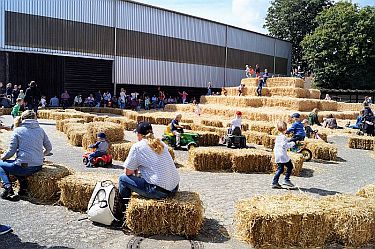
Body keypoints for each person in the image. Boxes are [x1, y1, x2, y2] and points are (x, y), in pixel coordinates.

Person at [118, 122, 179, 208]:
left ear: (139, 134)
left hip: (159, 191)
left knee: (122, 179)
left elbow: (128, 172)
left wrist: (135, 168)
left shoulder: (137, 147)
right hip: (174, 187)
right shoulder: (162, 143)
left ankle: (122, 209)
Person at [0, 110, 52, 199]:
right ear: (35, 118)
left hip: (22, 166)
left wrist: (3, 157)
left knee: (3, 164)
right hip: (38, 166)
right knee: (18, 164)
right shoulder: (40, 130)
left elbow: (11, 151)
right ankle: (23, 188)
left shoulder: (18, 130)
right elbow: (49, 148)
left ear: (22, 119)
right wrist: (42, 155)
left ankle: (7, 186)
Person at [272, 121, 295, 189]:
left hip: (277, 154)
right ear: (286, 129)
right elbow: (284, 146)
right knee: (290, 166)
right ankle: (286, 180)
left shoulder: (278, 137)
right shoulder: (284, 137)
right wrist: (292, 144)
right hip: (282, 155)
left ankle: (275, 182)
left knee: (280, 169)